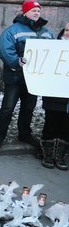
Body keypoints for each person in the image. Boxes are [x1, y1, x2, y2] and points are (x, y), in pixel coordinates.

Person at [0, 0, 55, 150]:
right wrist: (16, 61)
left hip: (33, 80)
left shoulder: (46, 32)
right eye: (33, 10)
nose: (37, 13)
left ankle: (24, 134)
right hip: (15, 78)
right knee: (7, 108)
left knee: (28, 108)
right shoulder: (13, 30)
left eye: (38, 11)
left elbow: (52, 52)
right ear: (25, 12)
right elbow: (5, 52)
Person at [39, 24, 69, 170]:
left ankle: (60, 156)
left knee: (66, 127)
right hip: (53, 95)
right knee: (51, 124)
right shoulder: (52, 48)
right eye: (68, 30)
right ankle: (48, 155)